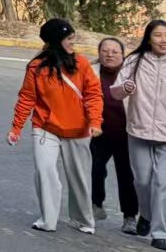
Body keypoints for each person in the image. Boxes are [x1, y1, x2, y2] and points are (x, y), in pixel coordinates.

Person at [7, 18, 102, 234]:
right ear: (55, 41)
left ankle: (82, 220)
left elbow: (94, 94)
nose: (72, 42)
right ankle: (48, 220)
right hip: (45, 127)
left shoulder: (81, 63)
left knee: (79, 178)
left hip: (78, 129)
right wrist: (16, 128)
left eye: (72, 38)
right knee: (44, 170)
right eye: (68, 38)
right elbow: (27, 98)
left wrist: (95, 121)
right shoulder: (36, 67)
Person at [107, 19, 166, 251]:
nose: (164, 40)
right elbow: (115, 92)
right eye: (158, 35)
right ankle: (145, 214)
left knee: (163, 183)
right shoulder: (134, 61)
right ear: (148, 38)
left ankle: (159, 233)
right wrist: (125, 88)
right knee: (143, 181)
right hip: (139, 130)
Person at [90, 37, 138, 231]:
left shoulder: (132, 72)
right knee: (95, 167)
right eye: (105, 51)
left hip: (126, 132)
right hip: (99, 131)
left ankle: (130, 216)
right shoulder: (90, 71)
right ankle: (96, 204)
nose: (109, 55)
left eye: (114, 52)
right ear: (99, 53)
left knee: (126, 174)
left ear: (123, 55)